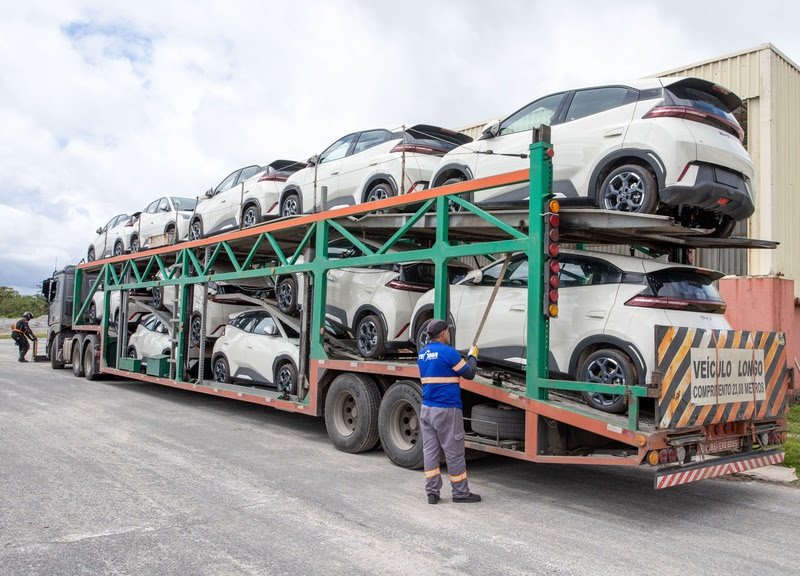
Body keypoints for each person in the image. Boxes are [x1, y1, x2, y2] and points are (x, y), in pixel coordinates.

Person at [417, 319, 481, 504]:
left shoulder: (422, 354)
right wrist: (472, 356)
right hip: (446, 409)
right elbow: (469, 373)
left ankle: (432, 493)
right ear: (444, 333)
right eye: (448, 331)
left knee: (430, 451)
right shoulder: (448, 353)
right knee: (454, 452)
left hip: (427, 409)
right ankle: (460, 493)